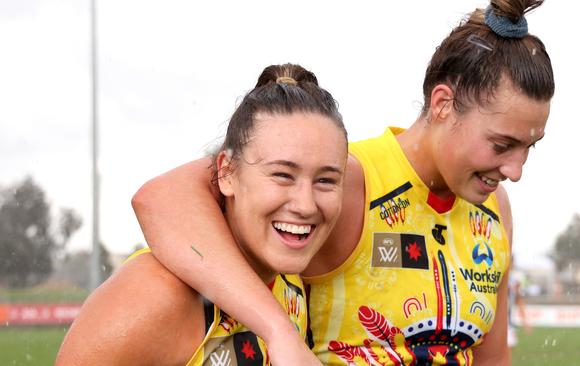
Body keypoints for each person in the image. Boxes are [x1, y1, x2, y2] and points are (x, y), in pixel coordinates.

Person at [132, 0, 554, 364]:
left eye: (529, 148)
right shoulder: (342, 179)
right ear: (443, 104)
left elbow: (492, 359)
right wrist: (278, 330)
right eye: (502, 145)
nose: (515, 171)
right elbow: (163, 199)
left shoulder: (495, 207)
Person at [55, 63, 349, 366]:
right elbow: (159, 195)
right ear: (226, 172)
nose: (306, 205)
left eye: (326, 180)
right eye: (282, 175)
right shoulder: (156, 296)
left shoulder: (290, 281)